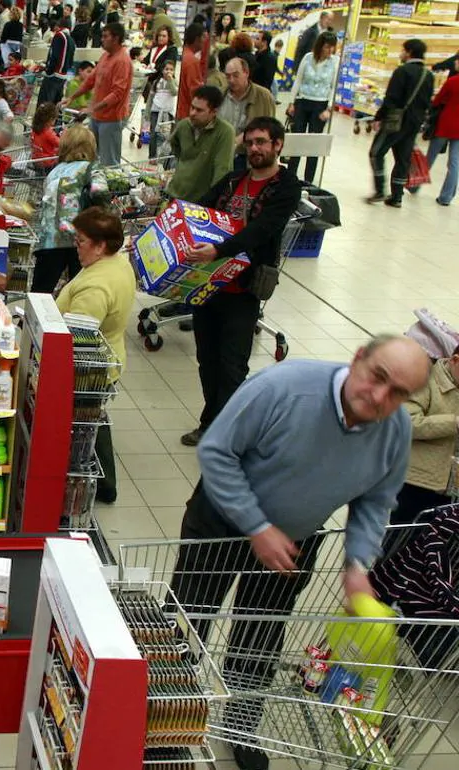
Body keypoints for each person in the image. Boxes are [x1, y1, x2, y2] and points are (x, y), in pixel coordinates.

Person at [169, 336, 430, 770]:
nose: (382, 397)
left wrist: (357, 562)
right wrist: (257, 525)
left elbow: (375, 500)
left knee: (260, 638)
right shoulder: (284, 387)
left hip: (294, 543)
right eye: (377, 377)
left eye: (399, 392)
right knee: (189, 616)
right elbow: (216, 452)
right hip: (220, 521)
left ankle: (241, 725)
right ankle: (167, 714)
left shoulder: (395, 430)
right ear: (358, 359)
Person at [180, 117, 303, 447]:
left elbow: (261, 230)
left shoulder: (287, 187)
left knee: (232, 364)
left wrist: (218, 250)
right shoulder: (235, 178)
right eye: (250, 142)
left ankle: (225, 431)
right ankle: (212, 421)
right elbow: (201, 207)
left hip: (243, 288)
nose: (255, 148)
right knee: (207, 357)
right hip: (209, 284)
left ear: (278, 145)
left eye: (262, 142)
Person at [55, 207, 135, 503]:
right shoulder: (117, 263)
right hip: (111, 356)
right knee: (95, 419)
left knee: (87, 424)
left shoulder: (97, 286)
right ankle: (106, 484)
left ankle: (99, 486)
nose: (76, 247)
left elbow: (77, 343)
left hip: (90, 371)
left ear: (101, 245)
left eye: (81, 241)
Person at [391, 345, 459, 527]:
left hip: (452, 487)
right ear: (454, 360)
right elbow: (406, 423)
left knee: (437, 546)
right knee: (402, 541)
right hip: (417, 481)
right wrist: (454, 423)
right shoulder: (424, 381)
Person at [29, 124, 98, 293]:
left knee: (40, 291)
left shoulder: (54, 172)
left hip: (50, 239)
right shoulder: (91, 169)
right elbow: (101, 198)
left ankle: (33, 316)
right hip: (78, 239)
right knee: (80, 289)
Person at [369, 39, 434, 208]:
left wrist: (379, 117)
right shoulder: (429, 75)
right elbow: (428, 102)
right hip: (414, 124)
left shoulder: (402, 71)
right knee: (403, 159)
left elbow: (392, 98)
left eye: (403, 50)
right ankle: (397, 196)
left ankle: (379, 190)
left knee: (376, 152)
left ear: (409, 52)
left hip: (395, 121)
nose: (401, 53)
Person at [63, 22, 133, 166]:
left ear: (116, 38)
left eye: (105, 36)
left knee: (109, 161)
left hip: (111, 118)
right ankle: (94, 186)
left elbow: (117, 94)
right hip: (97, 116)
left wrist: (92, 108)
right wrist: (72, 97)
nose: (102, 39)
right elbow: (91, 80)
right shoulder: (105, 56)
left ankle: (109, 187)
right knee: (90, 156)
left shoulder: (122, 61)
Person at [286, 31, 339, 184]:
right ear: (320, 46)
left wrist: (329, 108)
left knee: (314, 145)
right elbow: (298, 80)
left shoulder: (334, 62)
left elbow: (333, 86)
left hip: (320, 105)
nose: (330, 51)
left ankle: (309, 180)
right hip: (302, 102)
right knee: (297, 141)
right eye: (327, 47)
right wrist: (291, 102)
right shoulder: (308, 58)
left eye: (332, 48)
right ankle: (290, 177)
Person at [167, 85, 235, 202]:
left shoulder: (225, 132)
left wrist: (213, 200)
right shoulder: (183, 125)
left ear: (214, 112)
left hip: (201, 201)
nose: (193, 113)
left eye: (199, 110)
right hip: (175, 194)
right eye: (192, 107)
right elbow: (175, 146)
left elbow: (222, 170)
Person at [219, 56, 275, 171]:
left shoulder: (263, 97)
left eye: (235, 75)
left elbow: (271, 128)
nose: (231, 80)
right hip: (222, 156)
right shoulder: (220, 95)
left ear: (246, 73)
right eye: (228, 76)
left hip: (249, 158)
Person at [428, 70, 459, 206]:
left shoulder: (453, 80)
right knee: (454, 162)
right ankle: (446, 197)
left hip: (446, 123)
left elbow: (437, 100)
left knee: (430, 156)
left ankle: (413, 185)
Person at [40, 18, 75, 104]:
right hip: (63, 76)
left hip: (53, 75)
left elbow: (53, 55)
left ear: (57, 26)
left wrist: (47, 71)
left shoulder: (59, 36)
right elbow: (70, 60)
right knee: (55, 105)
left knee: (45, 105)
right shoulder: (71, 39)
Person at [293, 10, 333, 77]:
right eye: (328, 19)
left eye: (331, 20)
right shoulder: (310, 31)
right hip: (307, 67)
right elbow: (300, 49)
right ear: (321, 18)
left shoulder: (330, 34)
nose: (329, 22)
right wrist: (296, 68)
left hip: (321, 70)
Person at [31, 101, 61, 166]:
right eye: (55, 119)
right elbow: (60, 144)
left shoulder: (35, 129)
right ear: (50, 119)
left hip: (36, 160)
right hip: (47, 163)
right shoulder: (48, 133)